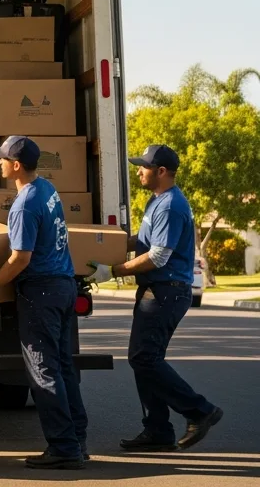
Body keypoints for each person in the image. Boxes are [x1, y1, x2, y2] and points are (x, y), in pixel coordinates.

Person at [85, 144, 222, 451]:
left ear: (161, 172)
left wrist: (113, 270)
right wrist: (108, 244)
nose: (138, 171)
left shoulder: (172, 205)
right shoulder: (156, 201)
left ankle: (199, 411)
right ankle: (158, 430)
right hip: (156, 290)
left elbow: (158, 256)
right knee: (146, 359)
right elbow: (144, 241)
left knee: (143, 358)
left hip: (166, 292)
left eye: (144, 167)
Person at [0, 136, 88, 469]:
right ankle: (77, 439)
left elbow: (20, 258)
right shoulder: (46, 189)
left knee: (43, 371)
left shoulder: (24, 205)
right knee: (62, 367)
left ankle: (63, 447)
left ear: (16, 165)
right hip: (63, 285)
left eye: (2, 159)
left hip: (41, 293)